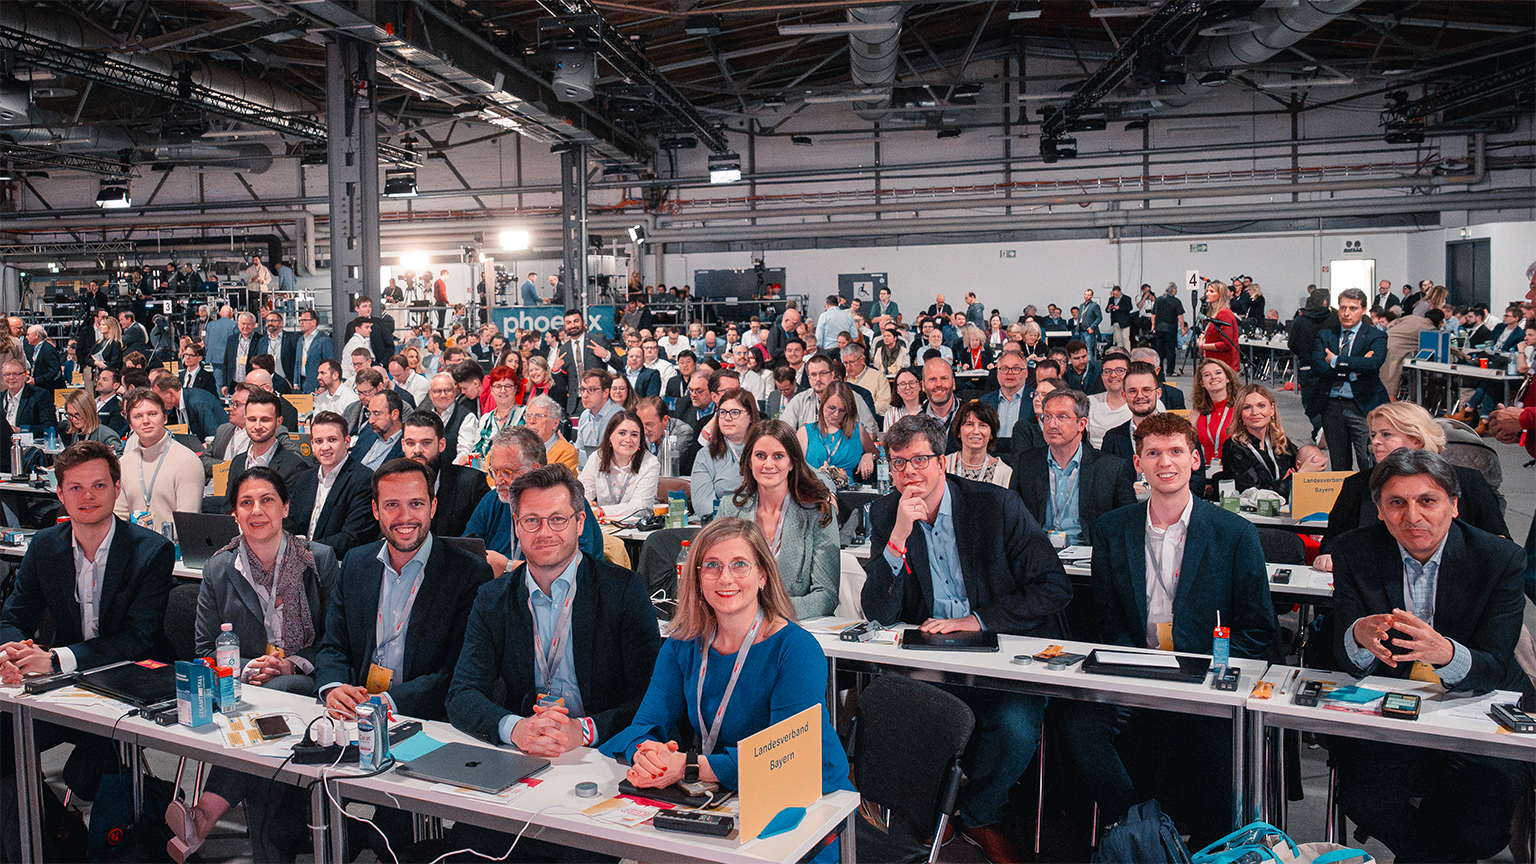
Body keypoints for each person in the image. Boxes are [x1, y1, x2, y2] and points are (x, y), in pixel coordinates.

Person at [861, 414, 1070, 864]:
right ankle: (929, 812)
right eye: (898, 463)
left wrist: (977, 620)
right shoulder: (886, 512)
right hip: (933, 657)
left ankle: (977, 812)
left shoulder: (995, 504)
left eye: (920, 460)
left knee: (1015, 729)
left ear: (943, 461)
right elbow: (878, 611)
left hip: (1001, 650)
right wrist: (898, 537)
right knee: (892, 709)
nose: (909, 473)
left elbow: (1054, 585)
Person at [603, 517, 852, 864]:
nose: (725, 578)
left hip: (810, 803)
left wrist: (688, 766)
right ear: (697, 577)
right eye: (712, 566)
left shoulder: (796, 649)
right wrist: (646, 756)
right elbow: (643, 725)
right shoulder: (682, 645)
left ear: (763, 575)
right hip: (727, 794)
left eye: (740, 565)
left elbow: (781, 761)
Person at [1076, 412, 1275, 844]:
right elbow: (1106, 618)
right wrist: (1133, 668)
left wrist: (1203, 669)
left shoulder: (1235, 533)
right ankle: (1137, 832)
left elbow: (1259, 631)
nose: (1165, 462)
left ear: (1195, 458)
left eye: (1175, 452)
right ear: (1138, 464)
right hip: (1134, 675)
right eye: (1153, 453)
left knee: (1209, 752)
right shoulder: (1112, 530)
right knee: (1076, 721)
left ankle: (1203, 844)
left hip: (1203, 681)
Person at [1328, 448, 1529, 864]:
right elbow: (1345, 657)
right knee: (1363, 798)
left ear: (1453, 506)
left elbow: (1493, 663)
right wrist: (1357, 636)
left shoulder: (1499, 558)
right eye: (1397, 503)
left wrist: (1447, 653)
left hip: (1478, 706)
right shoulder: (1354, 552)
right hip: (1392, 710)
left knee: (1482, 831)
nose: (1413, 516)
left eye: (1428, 501)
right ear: (1380, 511)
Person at [0, 442, 174, 836]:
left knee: (86, 776)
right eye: (75, 488)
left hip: (134, 683)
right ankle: (54, 832)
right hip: (63, 688)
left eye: (98, 485)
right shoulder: (45, 545)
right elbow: (12, 618)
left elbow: (139, 638)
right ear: (60, 494)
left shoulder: (151, 551)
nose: (88, 496)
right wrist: (12, 651)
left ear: (116, 488)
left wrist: (58, 658)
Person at [168, 466, 339, 864]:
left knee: (276, 696)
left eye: (267, 500)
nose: (256, 510)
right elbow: (205, 647)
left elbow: (338, 640)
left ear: (285, 508)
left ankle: (207, 811)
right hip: (241, 689)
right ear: (234, 514)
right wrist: (248, 669)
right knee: (263, 726)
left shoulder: (319, 560)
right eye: (246, 503)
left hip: (308, 684)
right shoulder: (219, 567)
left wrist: (290, 665)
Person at [448, 458, 660, 764]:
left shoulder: (623, 591)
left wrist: (584, 730)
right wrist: (515, 728)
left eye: (558, 519)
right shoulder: (493, 597)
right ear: (517, 525)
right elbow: (462, 694)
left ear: (581, 522)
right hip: (527, 752)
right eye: (532, 520)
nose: (544, 532)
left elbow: (650, 700)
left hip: (603, 755)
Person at [315, 457, 492, 719]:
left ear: (433, 507)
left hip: (424, 718)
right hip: (354, 713)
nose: (405, 517)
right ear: (376, 510)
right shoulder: (355, 562)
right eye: (392, 505)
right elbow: (334, 645)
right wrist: (333, 688)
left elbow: (457, 670)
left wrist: (385, 701)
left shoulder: (469, 573)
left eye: (416, 504)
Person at [1314, 401, 1507, 570]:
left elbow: (1498, 540)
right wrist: (1330, 555)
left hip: (1456, 577)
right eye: (1374, 434)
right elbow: (1333, 539)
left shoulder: (1468, 480)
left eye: (1386, 434)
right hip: (1374, 581)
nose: (1376, 441)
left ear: (1417, 439)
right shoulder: (1357, 484)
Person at [716, 420, 839, 617]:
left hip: (790, 625)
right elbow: (713, 575)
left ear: (792, 463)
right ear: (749, 460)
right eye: (760, 456)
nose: (768, 464)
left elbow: (826, 596)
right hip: (735, 623)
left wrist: (765, 612)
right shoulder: (729, 508)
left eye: (778, 456)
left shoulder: (818, 513)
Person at [1013, 387, 1135, 547]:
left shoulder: (1111, 468)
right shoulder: (1028, 462)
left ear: (1081, 424)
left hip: (1089, 556)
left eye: (1061, 417)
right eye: (1047, 417)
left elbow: (1128, 523)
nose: (1051, 424)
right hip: (1039, 553)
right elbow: (1014, 517)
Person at [285, 411, 377, 558]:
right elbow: (289, 522)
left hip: (337, 566)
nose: (325, 447)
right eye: (319, 441)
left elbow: (352, 538)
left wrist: (304, 549)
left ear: (347, 442)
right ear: (312, 444)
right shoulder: (305, 478)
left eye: (332, 440)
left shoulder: (364, 480)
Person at [1316, 287, 1388, 472]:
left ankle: (1369, 500)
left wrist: (1336, 360)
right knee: (1339, 462)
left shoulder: (1376, 335)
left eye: (1353, 308)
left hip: (1363, 405)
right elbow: (1319, 367)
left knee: (1368, 460)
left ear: (1364, 310)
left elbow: (1373, 365)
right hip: (1332, 405)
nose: (1347, 313)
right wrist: (1354, 368)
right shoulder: (1325, 334)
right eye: (1342, 308)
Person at [111, 387, 205, 529]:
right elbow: (119, 518)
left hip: (173, 547)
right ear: (130, 424)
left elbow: (186, 523)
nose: (146, 421)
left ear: (165, 418)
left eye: (152, 414)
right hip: (134, 546)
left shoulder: (187, 462)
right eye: (138, 416)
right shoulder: (124, 463)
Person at [1218, 383, 1316, 498]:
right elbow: (1257, 494)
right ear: (1240, 414)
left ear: (1272, 410)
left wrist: (1313, 460)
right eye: (1247, 407)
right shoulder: (1234, 448)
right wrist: (1298, 477)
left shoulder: (1281, 442)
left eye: (1261, 406)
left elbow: (1305, 462)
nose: (1255, 412)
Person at [401, 411, 481, 538]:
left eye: (426, 443)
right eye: (410, 443)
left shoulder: (470, 483)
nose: (417, 450)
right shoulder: (392, 483)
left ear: (441, 445)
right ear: (403, 445)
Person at [226, 389, 311, 507]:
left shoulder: (294, 466)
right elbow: (228, 507)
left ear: (278, 422)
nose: (257, 426)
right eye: (252, 419)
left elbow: (291, 518)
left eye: (265, 420)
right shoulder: (238, 462)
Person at [577, 409, 660, 522]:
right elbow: (581, 494)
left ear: (640, 441)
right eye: (622, 433)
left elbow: (640, 506)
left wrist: (600, 511)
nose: (628, 439)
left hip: (636, 531)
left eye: (634, 435)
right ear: (610, 436)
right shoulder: (597, 458)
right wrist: (586, 502)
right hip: (602, 528)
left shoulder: (650, 463)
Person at [690, 388, 758, 508]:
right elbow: (703, 505)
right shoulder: (706, 455)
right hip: (721, 523)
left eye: (735, 412)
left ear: (751, 416)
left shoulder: (765, 451)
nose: (727, 418)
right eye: (722, 412)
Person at [797, 380, 875, 481]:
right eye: (831, 408)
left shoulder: (857, 430)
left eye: (842, 410)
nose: (836, 414)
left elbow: (876, 453)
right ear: (821, 405)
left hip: (848, 492)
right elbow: (795, 468)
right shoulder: (805, 433)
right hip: (813, 489)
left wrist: (868, 456)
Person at [1288, 288, 1338, 443]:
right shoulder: (1334, 319)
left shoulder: (1300, 319)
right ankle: (1326, 430)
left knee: (1309, 402)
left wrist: (1303, 354)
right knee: (1328, 401)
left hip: (1307, 366)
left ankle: (1319, 428)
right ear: (1325, 302)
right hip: (1329, 365)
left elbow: (1292, 344)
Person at [944, 401, 1013, 487]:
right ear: (958, 432)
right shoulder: (943, 465)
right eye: (969, 424)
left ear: (991, 434)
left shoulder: (1004, 472)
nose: (976, 431)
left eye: (983, 425)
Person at [1085, 351, 1142, 448]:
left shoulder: (1145, 404)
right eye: (1108, 371)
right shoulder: (1089, 402)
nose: (1113, 375)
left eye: (1119, 370)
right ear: (1102, 376)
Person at [150, 369, 225, 442]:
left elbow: (213, 437)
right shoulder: (174, 406)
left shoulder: (198, 403)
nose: (159, 403)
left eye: (159, 398)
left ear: (171, 394)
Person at [1192, 358, 1239, 466]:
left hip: (1235, 470)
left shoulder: (1240, 407)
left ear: (1227, 378)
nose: (1213, 377)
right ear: (1202, 383)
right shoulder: (1197, 411)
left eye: (1218, 372)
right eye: (1207, 375)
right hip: (1207, 471)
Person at [356, 389, 406, 471]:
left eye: (377, 414)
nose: (371, 420)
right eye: (369, 414)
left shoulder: (406, 445)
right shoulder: (368, 432)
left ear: (394, 414)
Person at [1198, 280, 1241, 371]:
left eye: (1212, 291)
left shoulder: (1224, 314)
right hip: (1215, 363)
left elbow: (1226, 344)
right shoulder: (1214, 314)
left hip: (1223, 365)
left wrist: (1203, 346)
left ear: (1220, 294)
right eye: (1207, 291)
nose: (1207, 294)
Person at [291, 309, 333, 394]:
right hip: (301, 384)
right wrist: (296, 383)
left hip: (317, 385)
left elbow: (329, 364)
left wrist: (324, 385)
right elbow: (297, 363)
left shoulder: (324, 340)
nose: (301, 323)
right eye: (300, 320)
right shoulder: (300, 340)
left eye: (304, 320)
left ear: (313, 322)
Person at [1149, 283, 1186, 377]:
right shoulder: (1176, 301)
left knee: (1159, 351)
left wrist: (1153, 326)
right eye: (1176, 289)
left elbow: (1153, 315)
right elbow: (1180, 316)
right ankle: (1170, 371)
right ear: (1172, 290)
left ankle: (1159, 370)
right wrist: (1182, 328)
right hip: (1170, 329)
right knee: (1171, 350)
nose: (1176, 291)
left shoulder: (1158, 300)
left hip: (1159, 329)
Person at [222, 312, 258, 392]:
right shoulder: (232, 339)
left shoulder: (260, 339)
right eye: (243, 323)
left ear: (254, 325)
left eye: (248, 324)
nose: (245, 326)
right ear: (238, 324)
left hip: (252, 385)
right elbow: (226, 362)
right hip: (234, 384)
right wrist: (224, 384)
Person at [1106, 285, 1134, 351]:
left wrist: (1120, 308)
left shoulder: (1127, 298)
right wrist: (1108, 308)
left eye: (1116, 294)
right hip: (1115, 321)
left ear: (1120, 292)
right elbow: (1107, 309)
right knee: (1118, 339)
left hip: (1124, 322)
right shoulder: (1111, 299)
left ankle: (1127, 352)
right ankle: (1120, 352)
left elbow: (1130, 308)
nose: (1115, 295)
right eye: (1113, 294)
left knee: (1125, 338)